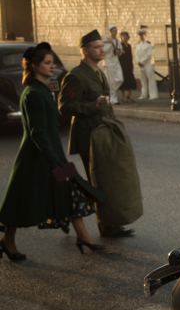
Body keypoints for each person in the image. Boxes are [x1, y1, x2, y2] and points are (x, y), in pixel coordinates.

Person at [0, 43, 104, 260]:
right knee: (22, 201)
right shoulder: (33, 93)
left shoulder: (42, 89)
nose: (52, 66)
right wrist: (53, 159)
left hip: (50, 154)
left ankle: (83, 236)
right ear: (35, 65)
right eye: (47, 63)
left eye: (52, 62)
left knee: (69, 191)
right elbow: (38, 132)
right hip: (35, 158)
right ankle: (8, 241)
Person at [59, 30, 134, 238]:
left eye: (103, 46)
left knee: (107, 179)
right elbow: (65, 107)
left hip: (103, 134)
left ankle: (110, 224)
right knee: (95, 182)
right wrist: (95, 105)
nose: (102, 50)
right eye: (97, 47)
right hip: (88, 136)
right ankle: (95, 222)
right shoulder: (76, 75)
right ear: (85, 50)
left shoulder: (98, 71)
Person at [103, 24, 124, 105]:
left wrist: (119, 52)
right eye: (114, 31)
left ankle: (109, 93)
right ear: (110, 32)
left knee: (120, 79)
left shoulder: (117, 40)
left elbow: (120, 51)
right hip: (109, 63)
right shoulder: (106, 40)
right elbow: (103, 51)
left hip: (116, 63)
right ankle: (112, 99)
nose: (116, 32)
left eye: (116, 31)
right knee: (110, 82)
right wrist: (111, 44)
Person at [135, 29, 158, 100]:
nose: (141, 37)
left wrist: (141, 62)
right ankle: (144, 94)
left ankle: (153, 95)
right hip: (141, 65)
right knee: (143, 80)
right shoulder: (138, 45)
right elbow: (136, 54)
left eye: (142, 35)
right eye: (139, 35)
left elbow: (149, 55)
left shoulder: (149, 45)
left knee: (151, 80)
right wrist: (138, 61)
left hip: (148, 64)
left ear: (145, 35)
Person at [118, 31, 137, 103]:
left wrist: (132, 65)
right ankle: (123, 97)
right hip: (122, 65)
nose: (124, 38)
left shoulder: (129, 46)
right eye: (123, 36)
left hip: (128, 65)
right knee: (123, 81)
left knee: (130, 80)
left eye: (125, 36)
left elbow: (130, 56)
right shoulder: (120, 45)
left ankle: (130, 96)